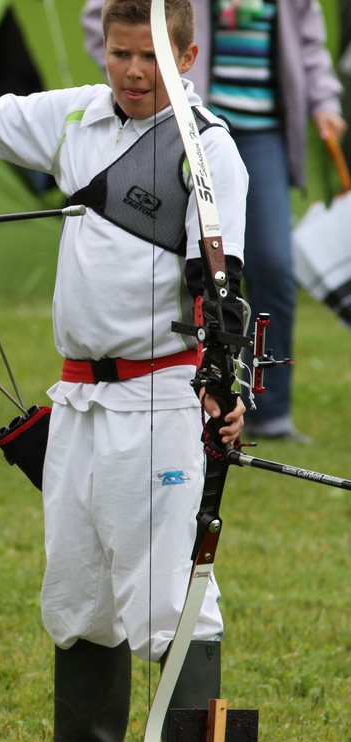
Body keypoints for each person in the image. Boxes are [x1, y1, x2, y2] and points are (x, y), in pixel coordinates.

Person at [0, 0, 247, 742]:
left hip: (160, 396)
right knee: (78, 590)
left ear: (187, 56)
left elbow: (225, 283)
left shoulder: (210, 150)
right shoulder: (79, 116)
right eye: (120, 53)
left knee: (170, 599)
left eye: (151, 58)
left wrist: (224, 386)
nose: (132, 72)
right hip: (80, 400)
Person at [84, 0, 345, 443]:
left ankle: (270, 409)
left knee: (274, 268)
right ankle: (193, 399)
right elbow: (104, 15)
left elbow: (310, 42)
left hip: (263, 133)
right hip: (184, 124)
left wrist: (323, 101)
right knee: (193, 269)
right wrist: (139, 69)